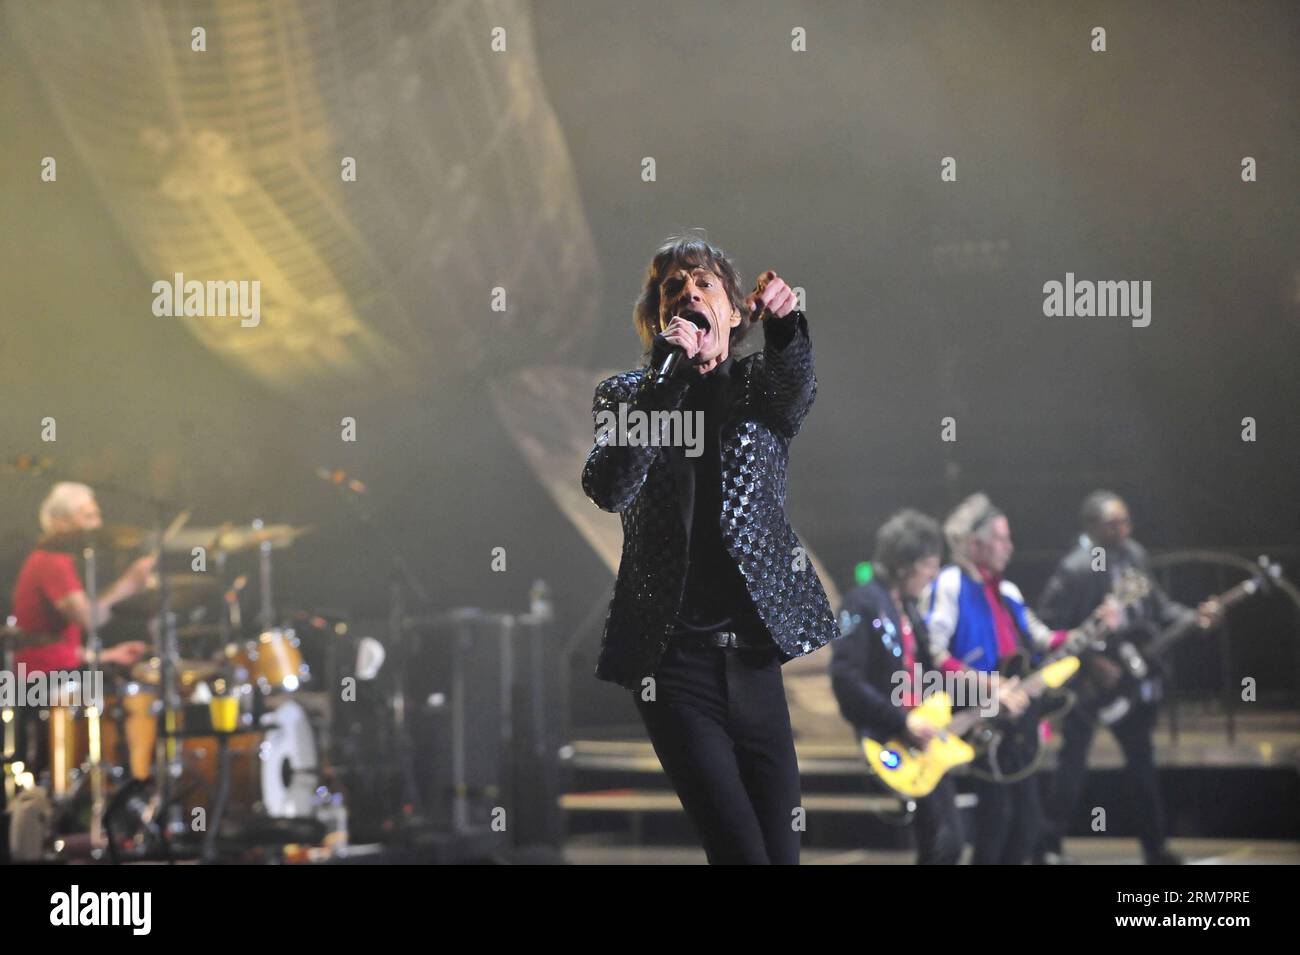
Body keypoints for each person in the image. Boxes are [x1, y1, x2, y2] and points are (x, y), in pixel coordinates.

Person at [581, 232, 837, 864]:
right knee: (741, 854)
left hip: (753, 659)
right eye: (673, 288)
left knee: (782, 856)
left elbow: (796, 387)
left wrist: (787, 325)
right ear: (658, 315)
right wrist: (665, 381)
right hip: (674, 665)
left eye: (704, 284)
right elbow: (610, 485)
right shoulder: (626, 394)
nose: (688, 294)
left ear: (732, 310)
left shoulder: (757, 390)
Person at [1036, 490, 1221, 865]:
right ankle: (1048, 846)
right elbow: (1049, 629)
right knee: (1072, 765)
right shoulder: (1076, 568)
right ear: (1092, 527)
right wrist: (1090, 663)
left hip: (1131, 682)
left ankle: (1154, 848)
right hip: (1090, 686)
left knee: (1142, 765)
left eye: (1126, 521)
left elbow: (1157, 608)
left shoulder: (1135, 556)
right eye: (1113, 523)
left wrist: (1194, 617)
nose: (1123, 529)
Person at [831, 508, 963, 863]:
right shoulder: (863, 602)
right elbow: (845, 678)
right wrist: (901, 722)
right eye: (929, 564)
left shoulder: (906, 607)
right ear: (905, 564)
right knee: (941, 841)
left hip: (920, 738)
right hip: (892, 738)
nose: (934, 574)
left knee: (947, 841)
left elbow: (928, 673)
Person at [11, 482, 153, 776]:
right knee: (126, 696)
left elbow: (55, 642)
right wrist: (127, 585)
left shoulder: (54, 561)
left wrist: (107, 655)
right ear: (62, 523)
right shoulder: (51, 561)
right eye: (88, 517)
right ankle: (116, 780)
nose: (98, 524)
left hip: (52, 672)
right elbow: (89, 619)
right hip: (39, 682)